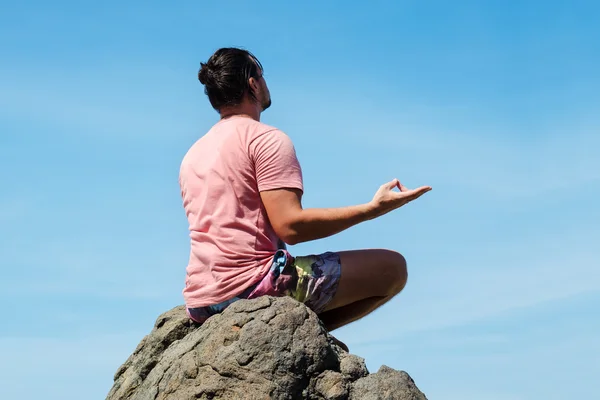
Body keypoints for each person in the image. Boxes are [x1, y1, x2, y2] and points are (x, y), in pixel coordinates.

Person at [179, 47, 432, 344]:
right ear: (253, 84)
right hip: (254, 287)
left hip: (201, 301)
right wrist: (371, 209)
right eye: (262, 75)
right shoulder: (266, 139)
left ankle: (307, 334)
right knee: (393, 269)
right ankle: (306, 336)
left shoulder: (193, 154)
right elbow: (291, 226)